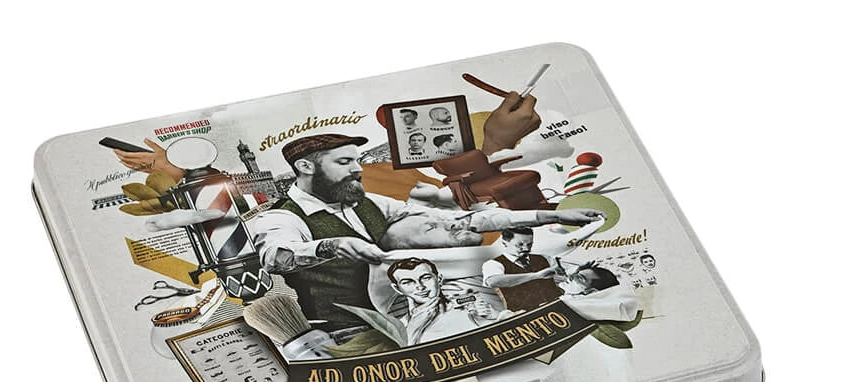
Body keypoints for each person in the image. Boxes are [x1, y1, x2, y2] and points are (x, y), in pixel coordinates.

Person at [249, 133, 605, 325]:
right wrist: (329, 246)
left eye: (357, 161)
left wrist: (546, 217)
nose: (358, 170)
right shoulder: (281, 217)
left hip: (417, 312)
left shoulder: (370, 202)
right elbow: (275, 257)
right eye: (345, 162)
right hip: (349, 331)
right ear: (305, 167)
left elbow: (458, 222)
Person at [387, 258, 476, 343]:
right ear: (397, 289)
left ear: (439, 279)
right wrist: (413, 328)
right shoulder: (399, 328)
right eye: (407, 282)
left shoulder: (471, 309)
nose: (420, 287)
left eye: (426, 278)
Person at [482, 228, 562, 312]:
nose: (526, 248)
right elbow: (493, 281)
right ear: (504, 243)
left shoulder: (543, 258)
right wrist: (537, 275)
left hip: (557, 308)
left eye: (530, 244)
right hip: (524, 315)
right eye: (520, 244)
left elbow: (560, 280)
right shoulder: (493, 264)